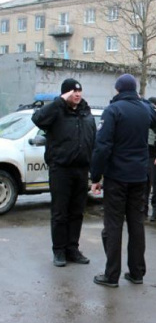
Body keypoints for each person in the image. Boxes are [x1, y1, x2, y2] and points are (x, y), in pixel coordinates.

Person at [90, 74, 156, 287]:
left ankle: (111, 275)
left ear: (118, 90)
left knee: (113, 226)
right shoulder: (144, 109)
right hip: (139, 176)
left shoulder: (113, 110)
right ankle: (137, 272)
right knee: (136, 224)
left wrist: (96, 176)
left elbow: (102, 146)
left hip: (117, 177)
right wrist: (144, 100)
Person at [32, 78, 96, 267]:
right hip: (61, 169)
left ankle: (72, 249)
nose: (76, 94)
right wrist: (59, 101)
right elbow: (37, 119)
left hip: (81, 169)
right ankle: (59, 250)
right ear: (64, 93)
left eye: (79, 91)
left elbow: (93, 139)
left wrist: (94, 167)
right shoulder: (56, 112)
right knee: (60, 212)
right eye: (72, 91)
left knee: (77, 212)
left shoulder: (86, 113)